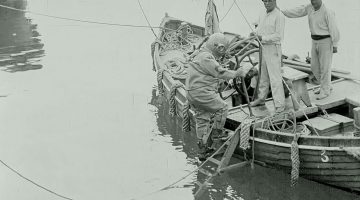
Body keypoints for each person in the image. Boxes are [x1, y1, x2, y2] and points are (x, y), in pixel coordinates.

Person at [185, 33, 246, 161]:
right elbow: (219, 72)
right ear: (219, 48)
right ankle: (216, 136)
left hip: (192, 93)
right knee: (222, 108)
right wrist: (236, 73)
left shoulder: (199, 54)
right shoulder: (207, 57)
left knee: (202, 119)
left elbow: (212, 71)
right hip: (202, 93)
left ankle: (202, 150)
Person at [281, 0, 340, 100]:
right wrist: (282, 12)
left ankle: (325, 91)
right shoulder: (309, 7)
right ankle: (326, 86)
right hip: (314, 40)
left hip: (326, 40)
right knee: (314, 67)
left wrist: (335, 44)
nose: (313, 2)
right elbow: (297, 11)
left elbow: (334, 29)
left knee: (325, 67)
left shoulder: (327, 12)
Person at [249, 0, 286, 113]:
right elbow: (259, 27)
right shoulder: (262, 13)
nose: (266, 3)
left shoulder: (279, 16)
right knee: (263, 75)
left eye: (269, 1)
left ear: (274, 1)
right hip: (262, 48)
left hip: (273, 48)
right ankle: (261, 99)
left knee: (275, 79)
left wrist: (262, 38)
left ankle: (280, 105)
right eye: (264, 1)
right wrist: (254, 33)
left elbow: (279, 36)